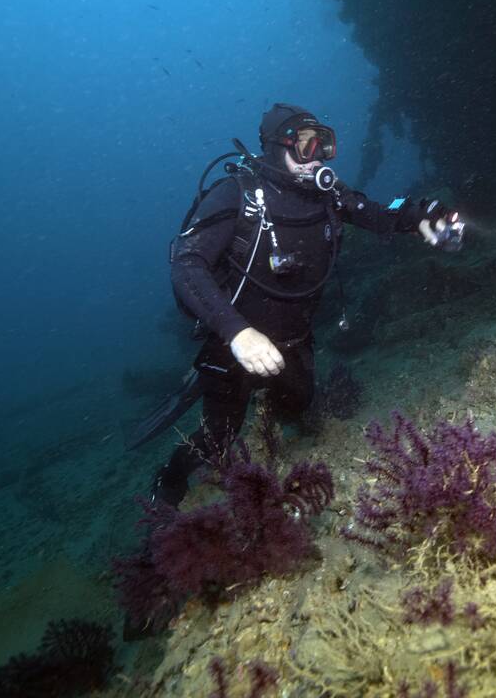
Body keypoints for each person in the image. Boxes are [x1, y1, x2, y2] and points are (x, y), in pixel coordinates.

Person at [146, 102, 463, 507]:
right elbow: (187, 264)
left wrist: (421, 215)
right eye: (307, 146)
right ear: (278, 147)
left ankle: (270, 433)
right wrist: (237, 333)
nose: (318, 158)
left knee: (298, 404)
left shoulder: (327, 194)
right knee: (217, 437)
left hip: (293, 340)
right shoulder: (237, 196)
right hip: (235, 344)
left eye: (324, 146)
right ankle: (169, 477)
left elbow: (378, 214)